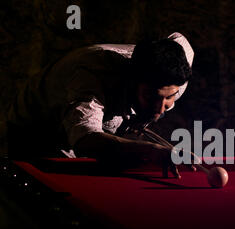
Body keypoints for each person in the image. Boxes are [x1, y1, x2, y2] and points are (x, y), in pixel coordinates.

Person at [4, 32, 194, 178]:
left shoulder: (179, 63)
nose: (161, 109)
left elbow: (178, 39)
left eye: (170, 97)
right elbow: (86, 139)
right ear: (133, 81)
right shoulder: (91, 76)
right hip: (35, 131)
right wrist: (151, 150)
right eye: (151, 97)